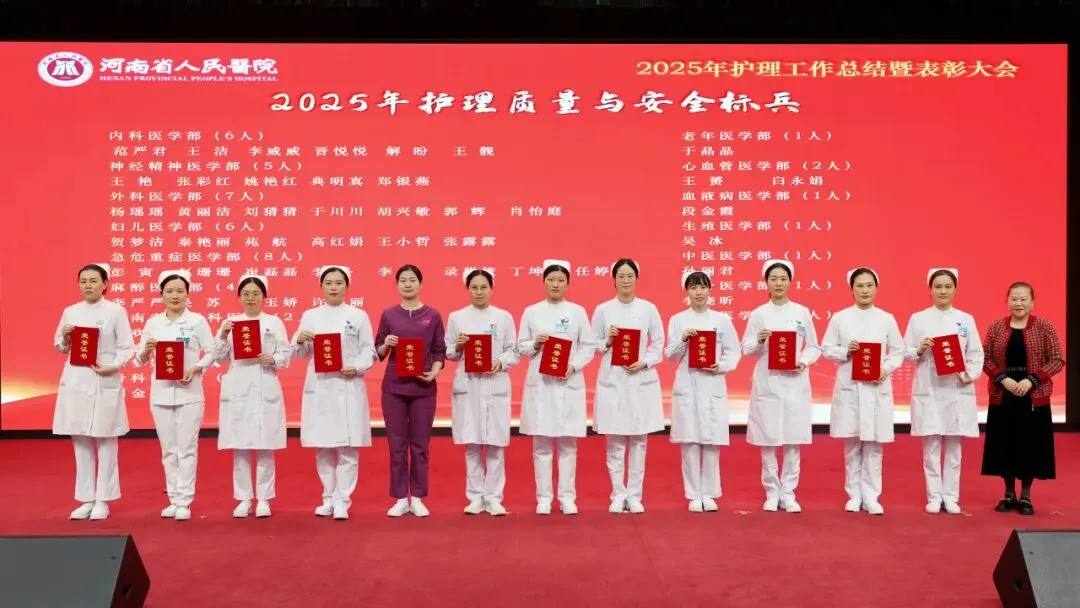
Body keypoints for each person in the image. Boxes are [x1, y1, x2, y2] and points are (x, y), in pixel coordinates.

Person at [292, 265, 377, 521]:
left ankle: (343, 500)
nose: (334, 287)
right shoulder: (310, 316)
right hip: (320, 387)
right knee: (324, 446)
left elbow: (369, 350)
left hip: (348, 384)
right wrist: (300, 340)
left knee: (348, 446)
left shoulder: (358, 316)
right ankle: (328, 497)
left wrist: (357, 367)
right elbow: (299, 354)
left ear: (347, 287)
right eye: (328, 283)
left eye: (339, 283)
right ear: (321, 287)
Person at [54, 263, 136, 521]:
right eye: (83, 281)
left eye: (93, 280)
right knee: (80, 440)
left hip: (104, 379)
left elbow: (127, 347)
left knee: (106, 441)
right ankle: (86, 498)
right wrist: (66, 337)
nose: (88, 285)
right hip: (77, 381)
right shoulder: (71, 311)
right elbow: (60, 346)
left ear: (105, 284)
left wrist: (113, 366)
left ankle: (103, 499)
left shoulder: (115, 311)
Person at [821, 268, 905, 515]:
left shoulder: (886, 318)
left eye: (869, 285)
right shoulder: (840, 318)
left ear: (876, 288)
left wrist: (885, 369)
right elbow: (827, 348)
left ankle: (872, 496)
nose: (865, 290)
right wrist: (845, 351)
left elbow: (898, 351)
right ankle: (854, 495)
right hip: (850, 388)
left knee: (874, 445)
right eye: (860, 286)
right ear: (852, 289)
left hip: (876, 387)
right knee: (852, 444)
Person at [517, 259, 598, 515]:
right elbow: (521, 346)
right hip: (541, 384)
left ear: (568, 284)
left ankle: (567, 497)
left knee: (567, 443)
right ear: (543, 282)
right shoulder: (532, 311)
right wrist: (535, 344)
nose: (555, 284)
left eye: (560, 280)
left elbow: (588, 345)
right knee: (541, 444)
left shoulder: (577, 312)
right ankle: (543, 498)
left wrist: (573, 366)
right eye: (551, 280)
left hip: (568, 382)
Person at [134, 269, 215, 521]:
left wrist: (196, 368)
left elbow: (212, 351)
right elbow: (139, 359)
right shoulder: (153, 323)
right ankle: (173, 498)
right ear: (161, 294)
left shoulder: (197, 321)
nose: (175, 295)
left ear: (188, 294)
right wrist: (147, 350)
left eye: (180, 291)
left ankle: (185, 501)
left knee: (187, 448)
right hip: (161, 394)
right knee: (168, 450)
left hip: (190, 393)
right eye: (169, 291)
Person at [741, 259, 820, 513]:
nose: (778, 283)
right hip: (768, 382)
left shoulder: (802, 312)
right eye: (773, 279)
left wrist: (803, 361)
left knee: (793, 439)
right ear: (766, 282)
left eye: (783, 279)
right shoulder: (759, 314)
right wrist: (759, 340)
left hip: (795, 382)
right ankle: (771, 491)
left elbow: (814, 346)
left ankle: (789, 492)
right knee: (768, 438)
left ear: (790, 282)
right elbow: (746, 348)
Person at [903, 268, 984, 514]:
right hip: (929, 390)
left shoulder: (966, 319)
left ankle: (950, 497)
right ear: (930, 290)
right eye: (938, 286)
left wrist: (967, 375)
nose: (943, 291)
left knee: (954, 447)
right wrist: (920, 349)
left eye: (948, 286)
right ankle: (934, 496)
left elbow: (976, 354)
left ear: (955, 289)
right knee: (931, 447)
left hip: (956, 390)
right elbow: (905, 352)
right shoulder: (918, 319)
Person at [981, 282, 1064, 516]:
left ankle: (1026, 495)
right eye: (1014, 299)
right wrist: (1003, 379)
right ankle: (1008, 493)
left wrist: (1032, 380)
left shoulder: (1044, 326)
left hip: (1033, 397)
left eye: (1023, 299)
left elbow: (1057, 359)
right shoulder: (996, 327)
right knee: (1005, 445)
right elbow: (984, 357)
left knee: (1030, 446)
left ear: (1032, 302)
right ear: (1008, 301)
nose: (1019, 303)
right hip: (1003, 395)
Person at [213, 275, 291, 519]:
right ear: (239, 297)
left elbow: (285, 354)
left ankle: (264, 499)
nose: (250, 298)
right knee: (241, 447)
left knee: (265, 446)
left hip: (265, 384)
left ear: (264, 297)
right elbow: (218, 357)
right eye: (246, 294)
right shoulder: (231, 323)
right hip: (238, 388)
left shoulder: (274, 322)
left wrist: (273, 359)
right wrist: (223, 335)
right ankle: (244, 498)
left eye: (256, 293)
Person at [590, 258, 665, 514]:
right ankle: (617, 494)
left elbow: (658, 343)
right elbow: (593, 344)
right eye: (621, 276)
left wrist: (644, 362)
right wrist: (608, 342)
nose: (625, 280)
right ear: (614, 280)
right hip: (613, 379)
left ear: (636, 278)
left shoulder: (648, 309)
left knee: (639, 440)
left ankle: (634, 495)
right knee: (615, 440)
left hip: (640, 379)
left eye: (630, 276)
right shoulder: (603, 310)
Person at [664, 270, 741, 513]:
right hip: (688, 384)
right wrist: (682, 340)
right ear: (686, 291)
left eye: (703, 287)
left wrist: (721, 366)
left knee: (711, 441)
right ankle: (692, 494)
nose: (698, 292)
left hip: (712, 383)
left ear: (710, 290)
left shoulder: (721, 320)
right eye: (693, 287)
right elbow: (670, 356)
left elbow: (734, 351)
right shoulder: (678, 320)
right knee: (689, 442)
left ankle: (708, 493)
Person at [445, 269, 519, 516]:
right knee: (472, 443)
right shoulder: (457, 317)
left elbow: (513, 351)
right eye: (474, 287)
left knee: (496, 444)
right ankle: (475, 497)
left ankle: (494, 497)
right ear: (467, 289)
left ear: (491, 288)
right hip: (469, 385)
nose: (479, 292)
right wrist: (458, 345)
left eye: (483, 287)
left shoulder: (503, 317)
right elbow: (449, 352)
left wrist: (500, 362)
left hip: (494, 382)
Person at [375, 264, 447, 518]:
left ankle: (417, 497)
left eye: (412, 280)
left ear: (420, 283)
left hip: (423, 387)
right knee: (396, 445)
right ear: (397, 285)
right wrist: (386, 344)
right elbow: (378, 351)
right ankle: (399, 498)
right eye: (403, 280)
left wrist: (435, 371)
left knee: (420, 445)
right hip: (394, 388)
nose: (408, 284)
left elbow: (439, 350)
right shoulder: (389, 314)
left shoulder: (432, 315)